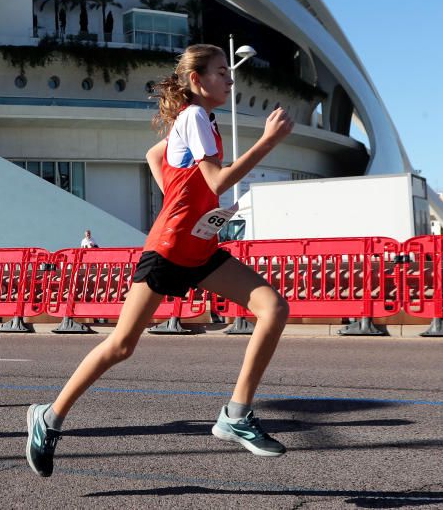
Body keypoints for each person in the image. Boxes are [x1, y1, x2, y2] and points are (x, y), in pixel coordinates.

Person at [25, 44, 293, 477]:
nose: (230, 78)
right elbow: (219, 179)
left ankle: (236, 415)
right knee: (121, 345)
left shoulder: (200, 121)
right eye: (222, 71)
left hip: (199, 247)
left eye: (230, 71)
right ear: (196, 80)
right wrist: (267, 141)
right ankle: (49, 417)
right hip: (168, 250)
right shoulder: (193, 117)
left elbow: (156, 156)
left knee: (273, 307)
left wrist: (182, 200)